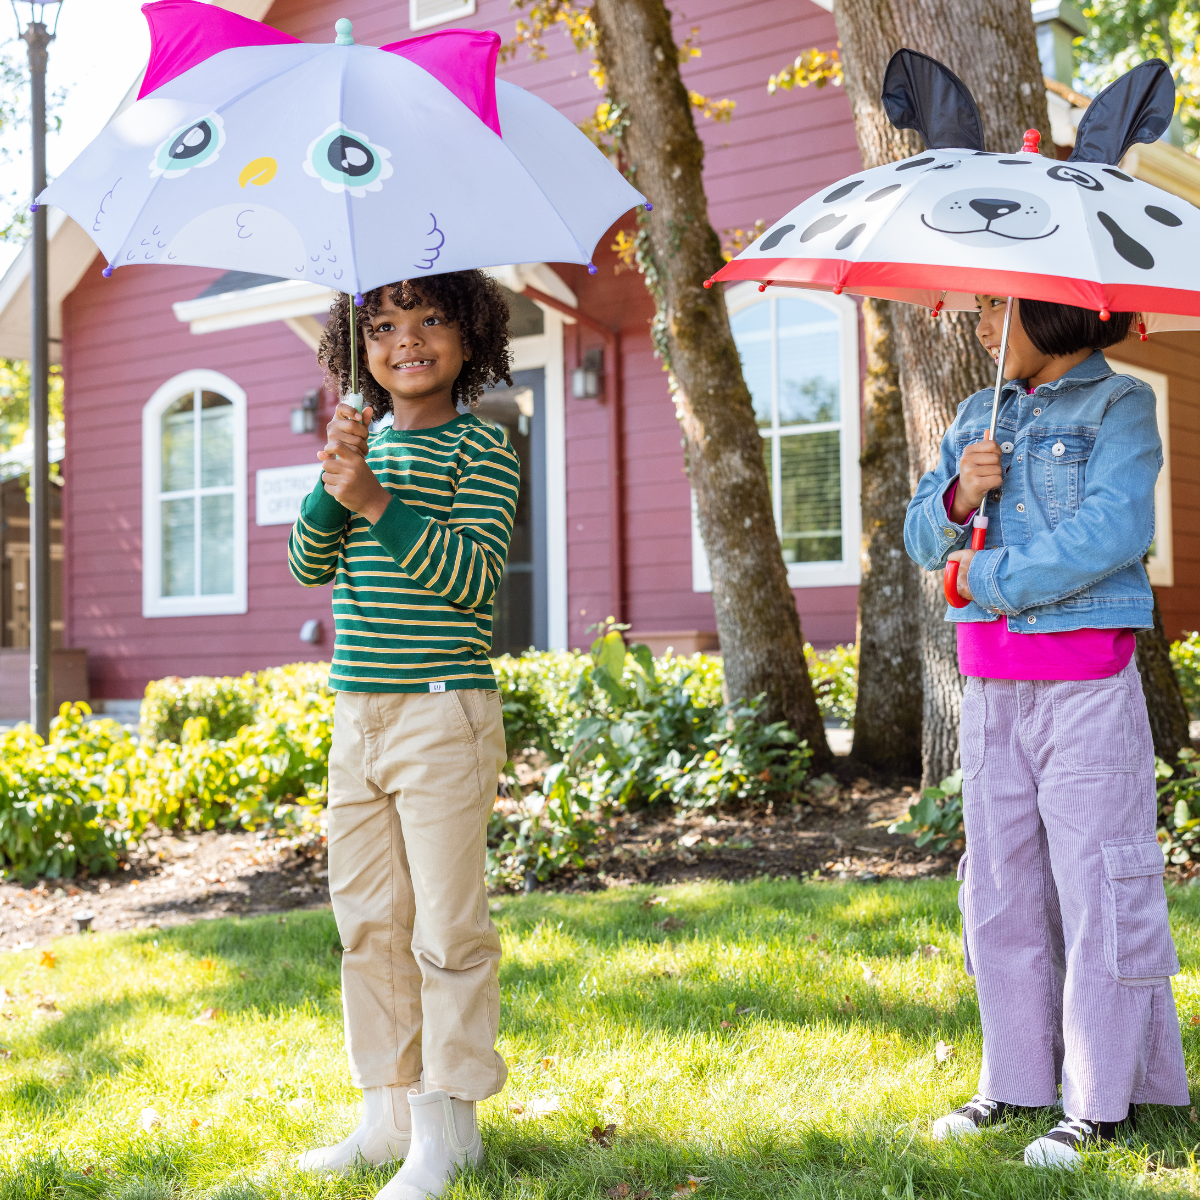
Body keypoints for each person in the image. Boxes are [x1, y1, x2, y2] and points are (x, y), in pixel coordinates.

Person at [904, 295, 1188, 1168]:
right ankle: (1017, 1080)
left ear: (1051, 311)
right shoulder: (974, 415)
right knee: (1001, 887)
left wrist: (987, 578)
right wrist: (961, 492)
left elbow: (1114, 530)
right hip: (992, 690)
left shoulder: (1121, 405)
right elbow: (920, 535)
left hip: (1085, 688)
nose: (979, 324)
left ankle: (1098, 1101)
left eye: (996, 308)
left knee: (1099, 886)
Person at [287, 272, 518, 1199]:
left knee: (446, 927)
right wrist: (335, 486)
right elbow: (307, 564)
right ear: (358, 348)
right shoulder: (362, 444)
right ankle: (387, 1115)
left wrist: (377, 499)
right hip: (359, 716)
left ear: (472, 338)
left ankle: (449, 1125)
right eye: (382, 326)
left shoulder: (481, 445)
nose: (406, 340)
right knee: (369, 924)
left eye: (431, 320)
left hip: (441, 713)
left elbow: (472, 578)